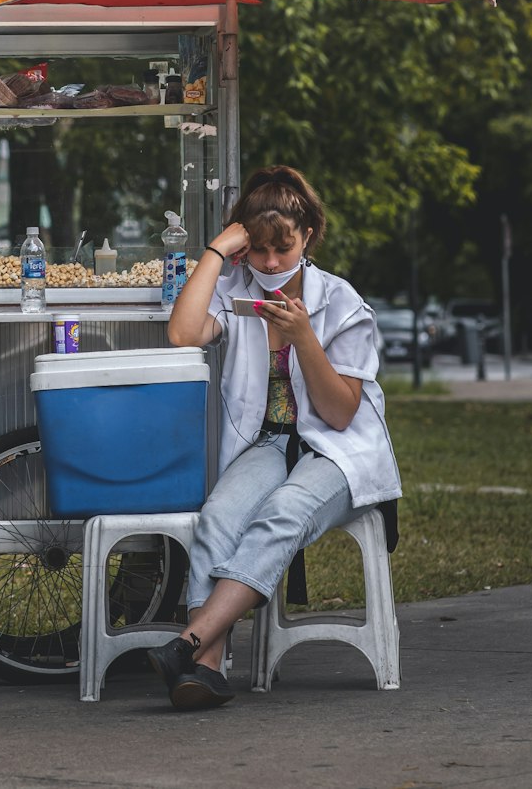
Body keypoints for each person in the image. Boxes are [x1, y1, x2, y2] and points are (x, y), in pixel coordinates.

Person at [149, 164, 401, 710]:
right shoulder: (239, 291)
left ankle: (188, 645)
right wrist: (217, 251)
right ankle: (205, 671)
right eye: (258, 249)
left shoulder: (341, 303)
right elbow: (181, 333)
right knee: (218, 516)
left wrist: (304, 337)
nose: (268, 263)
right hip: (267, 443)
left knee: (282, 512)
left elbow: (338, 415)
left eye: (281, 250)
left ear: (307, 236)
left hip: (337, 452)